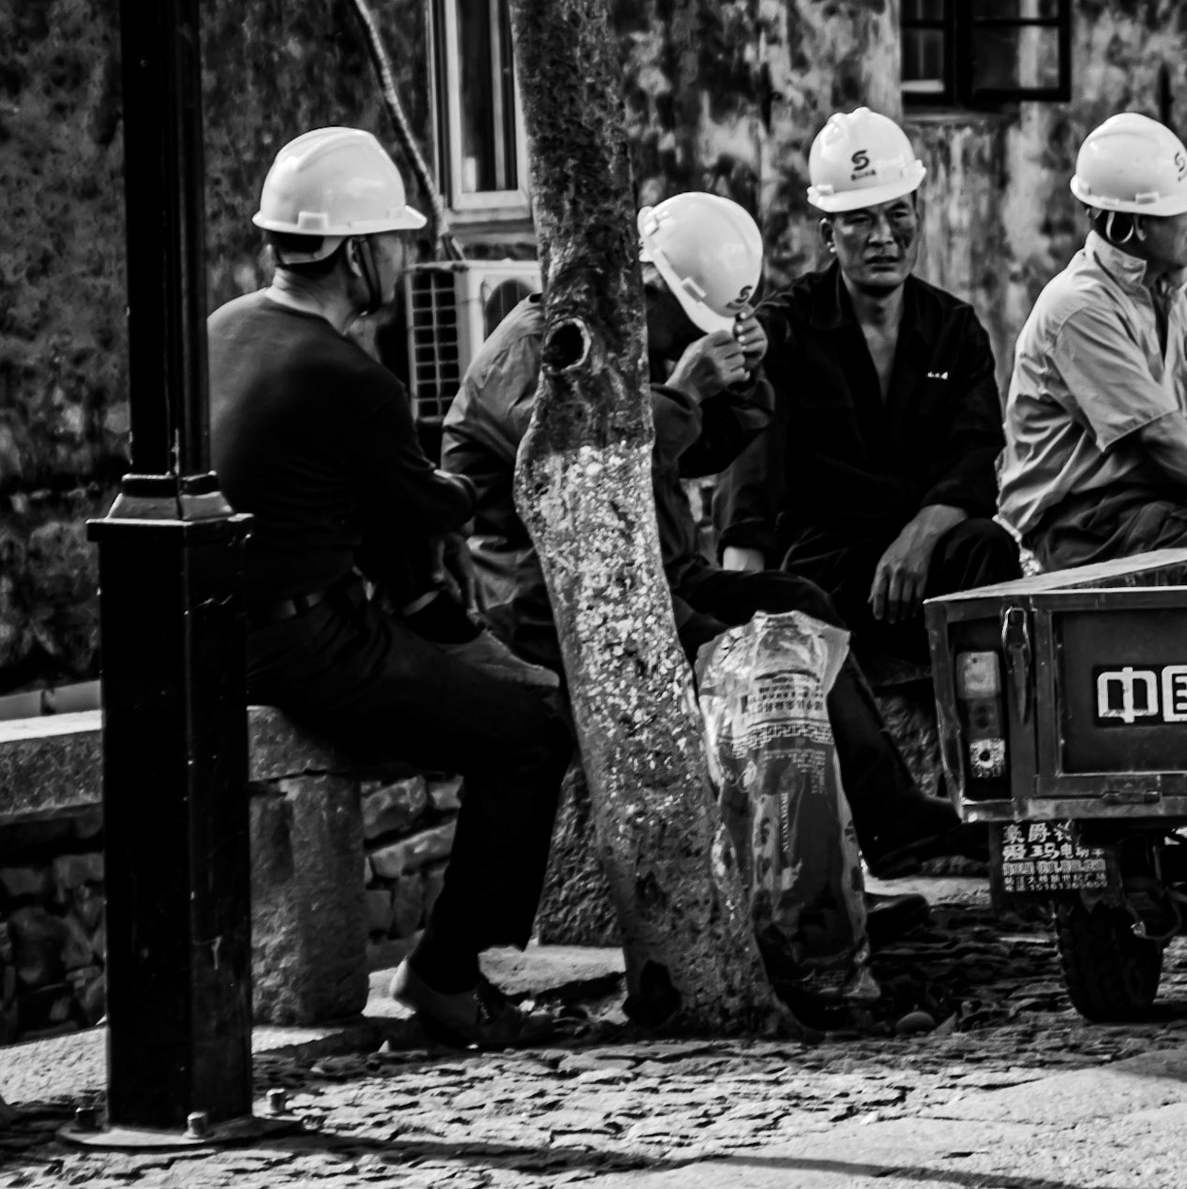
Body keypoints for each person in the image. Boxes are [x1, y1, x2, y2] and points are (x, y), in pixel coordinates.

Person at [441, 192, 978, 917]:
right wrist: (683, 389)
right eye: (694, 320)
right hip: (556, 595)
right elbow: (589, 471)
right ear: (650, 283)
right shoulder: (544, 348)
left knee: (798, 606)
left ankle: (891, 817)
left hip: (654, 572)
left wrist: (745, 383)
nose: (695, 338)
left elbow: (701, 450)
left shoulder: (627, 334)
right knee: (754, 663)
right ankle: (803, 898)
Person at [209, 127, 572, 1048]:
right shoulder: (348, 377)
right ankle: (446, 973)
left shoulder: (223, 327)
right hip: (304, 644)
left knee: (458, 639)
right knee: (532, 732)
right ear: (355, 252)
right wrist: (495, 465)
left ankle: (446, 966)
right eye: (395, 240)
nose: (406, 257)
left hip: (219, 630)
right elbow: (431, 506)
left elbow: (364, 512)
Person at [715, 108, 1020, 663]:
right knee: (794, 594)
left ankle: (984, 710)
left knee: (986, 545)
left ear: (917, 217)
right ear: (829, 235)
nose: (883, 237)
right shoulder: (783, 330)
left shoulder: (954, 330)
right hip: (825, 567)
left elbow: (974, 458)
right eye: (860, 220)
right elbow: (750, 477)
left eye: (896, 214)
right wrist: (742, 617)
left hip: (920, 557)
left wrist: (918, 540)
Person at [997, 113, 1187, 572]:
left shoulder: (1167, 295)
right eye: (1178, 209)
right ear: (1133, 225)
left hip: (1160, 508)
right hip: (1092, 521)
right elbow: (1157, 436)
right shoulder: (1080, 308)